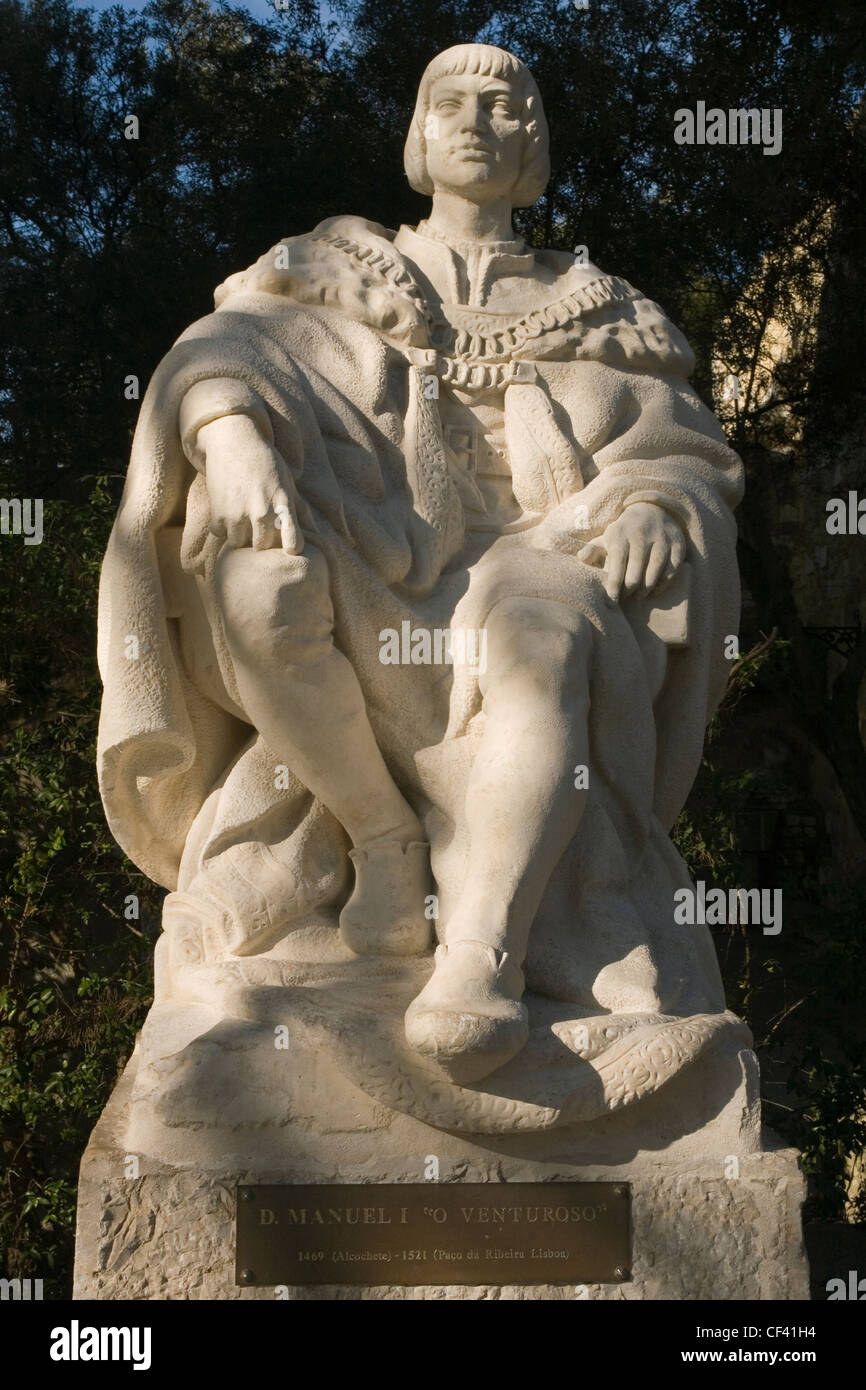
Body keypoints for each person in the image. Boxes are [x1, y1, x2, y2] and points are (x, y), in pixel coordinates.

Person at [98, 44, 743, 1085]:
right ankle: (384, 844)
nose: (478, 118)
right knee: (251, 577)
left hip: (539, 558)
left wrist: (654, 507)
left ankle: (481, 955)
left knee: (546, 638)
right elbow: (219, 354)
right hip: (370, 548)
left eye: (504, 103)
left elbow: (678, 458)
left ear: (533, 140)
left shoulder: (606, 311)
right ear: (419, 132)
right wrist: (227, 429)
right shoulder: (325, 267)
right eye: (453, 101)